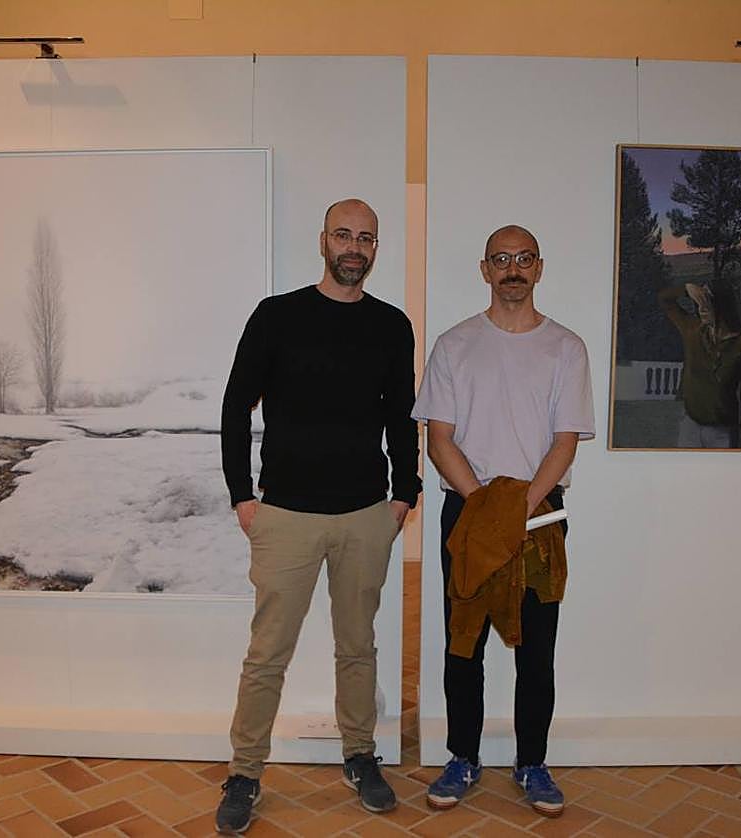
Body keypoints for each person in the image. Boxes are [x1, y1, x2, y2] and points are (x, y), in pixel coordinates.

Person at [216, 198, 421, 834]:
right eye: (344, 235)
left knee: (358, 646)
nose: (354, 247)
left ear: (375, 247)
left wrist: (405, 493)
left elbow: (402, 416)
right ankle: (245, 771)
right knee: (267, 653)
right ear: (324, 241)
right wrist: (242, 495)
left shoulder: (391, 325)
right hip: (285, 516)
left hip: (366, 515)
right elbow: (235, 405)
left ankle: (360, 755)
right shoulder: (276, 315)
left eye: (366, 238)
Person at [412, 225, 595, 817]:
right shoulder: (454, 345)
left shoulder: (566, 348)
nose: (512, 269)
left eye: (523, 259)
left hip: (540, 519)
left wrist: (517, 510)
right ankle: (462, 757)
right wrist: (486, 508)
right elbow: (439, 438)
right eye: (501, 259)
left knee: (536, 649)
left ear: (538, 268)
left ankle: (532, 763)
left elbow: (565, 442)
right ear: (485, 269)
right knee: (462, 642)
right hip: (467, 513)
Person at [658, 282, 741, 448]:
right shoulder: (692, 329)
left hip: (723, 432)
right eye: (699, 302)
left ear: (723, 305)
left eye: (707, 301)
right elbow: (664, 299)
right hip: (690, 427)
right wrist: (687, 289)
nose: (701, 308)